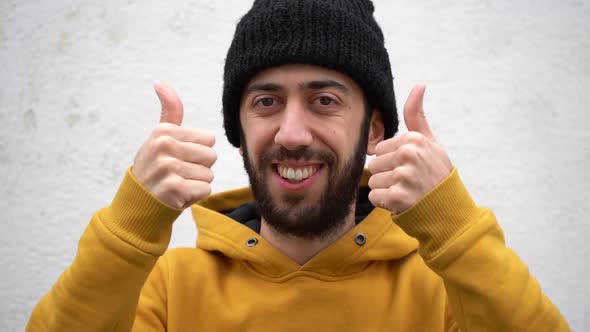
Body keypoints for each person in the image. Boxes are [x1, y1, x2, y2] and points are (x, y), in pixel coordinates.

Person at [27, 0, 570, 331]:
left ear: (375, 129)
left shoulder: (441, 289)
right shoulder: (167, 288)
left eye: (324, 100)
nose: (291, 133)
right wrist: (130, 224)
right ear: (239, 130)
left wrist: (454, 228)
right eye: (266, 102)